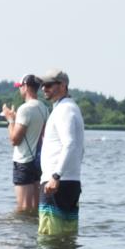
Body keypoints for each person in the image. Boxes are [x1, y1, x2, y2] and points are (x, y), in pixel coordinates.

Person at [37, 69, 85, 236]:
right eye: (43, 85)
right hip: (69, 181)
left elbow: (70, 144)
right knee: (66, 240)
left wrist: (56, 176)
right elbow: (80, 149)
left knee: (48, 238)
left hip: (57, 183)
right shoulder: (69, 108)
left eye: (49, 85)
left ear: (63, 85)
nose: (44, 88)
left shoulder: (64, 110)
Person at [2, 74, 49, 213]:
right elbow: (42, 135)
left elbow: (14, 140)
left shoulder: (25, 109)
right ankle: (32, 234)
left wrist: (10, 120)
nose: (19, 89)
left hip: (23, 162)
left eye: (20, 87)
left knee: (23, 209)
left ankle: (21, 234)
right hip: (38, 162)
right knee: (34, 208)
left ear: (26, 87)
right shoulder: (44, 107)